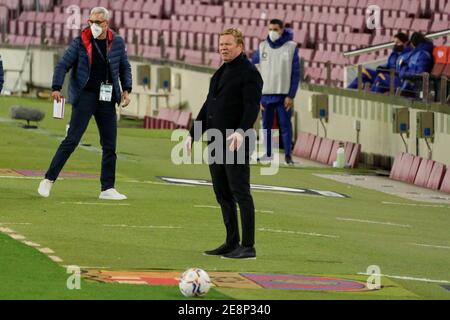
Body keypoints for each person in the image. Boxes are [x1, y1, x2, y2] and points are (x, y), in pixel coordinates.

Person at [38, 7, 132, 200]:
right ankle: (48, 180)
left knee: (110, 145)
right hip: (85, 96)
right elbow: (63, 64)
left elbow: (124, 66)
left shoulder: (117, 42)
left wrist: (126, 89)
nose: (94, 26)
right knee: (72, 140)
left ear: (106, 23)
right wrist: (56, 87)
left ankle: (107, 188)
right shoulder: (81, 41)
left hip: (106, 98)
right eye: (91, 22)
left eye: (98, 23)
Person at [186, 28, 263, 259]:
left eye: (228, 44)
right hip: (216, 141)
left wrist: (241, 131)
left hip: (236, 141)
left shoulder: (249, 73)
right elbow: (208, 105)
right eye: (221, 44)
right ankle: (231, 242)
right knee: (222, 194)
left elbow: (251, 107)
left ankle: (248, 246)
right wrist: (193, 134)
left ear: (240, 45)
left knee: (241, 193)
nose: (223, 48)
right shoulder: (221, 72)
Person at [252, 19, 300, 165]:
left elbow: (296, 73)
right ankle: (267, 154)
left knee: (285, 125)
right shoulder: (262, 46)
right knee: (265, 126)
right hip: (265, 95)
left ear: (282, 30)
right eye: (270, 29)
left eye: (275, 29)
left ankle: (288, 156)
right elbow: (254, 72)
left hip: (283, 95)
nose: (272, 32)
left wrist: (291, 95)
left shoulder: (291, 47)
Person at [397, 32, 434, 96]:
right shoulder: (416, 53)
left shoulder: (423, 54)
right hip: (412, 83)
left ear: (413, 43)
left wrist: (403, 72)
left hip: (417, 87)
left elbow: (419, 73)